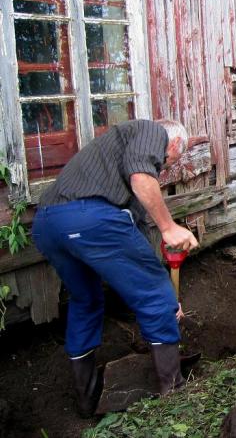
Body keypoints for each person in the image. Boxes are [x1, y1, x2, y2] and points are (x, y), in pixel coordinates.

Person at [31, 119, 199, 417]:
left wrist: (166, 297)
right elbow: (140, 176)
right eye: (169, 162)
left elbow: (134, 239)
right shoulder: (152, 131)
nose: (162, 169)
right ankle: (175, 400)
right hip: (90, 217)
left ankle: (87, 400)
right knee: (153, 296)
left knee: (86, 301)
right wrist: (169, 227)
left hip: (48, 224)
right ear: (174, 144)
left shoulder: (113, 165)